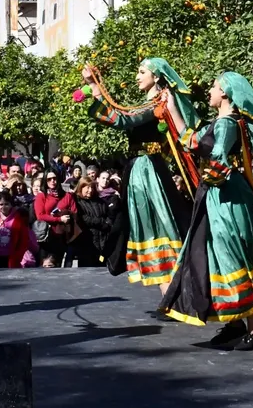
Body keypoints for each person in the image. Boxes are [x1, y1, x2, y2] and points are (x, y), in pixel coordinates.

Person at [159, 71, 253, 351]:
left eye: (214, 86)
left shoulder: (226, 124)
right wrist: (171, 107)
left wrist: (208, 179)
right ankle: (234, 321)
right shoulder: (219, 123)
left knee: (233, 256)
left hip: (226, 198)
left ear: (226, 94)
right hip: (220, 196)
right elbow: (191, 141)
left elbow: (218, 159)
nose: (209, 90)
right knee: (219, 256)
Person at [81, 58, 200, 295]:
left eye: (142, 71)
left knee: (156, 226)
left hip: (146, 170)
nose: (137, 76)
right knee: (153, 226)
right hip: (142, 168)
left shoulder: (158, 102)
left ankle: (174, 290)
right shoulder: (150, 103)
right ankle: (170, 291)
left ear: (156, 77)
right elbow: (123, 115)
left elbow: (123, 119)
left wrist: (95, 88)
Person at [0, 191, 37, 268]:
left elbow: (23, 239)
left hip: (11, 256)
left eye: (6, 204)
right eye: (1, 204)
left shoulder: (18, 219)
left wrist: (18, 255)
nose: (4, 207)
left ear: (11, 204)